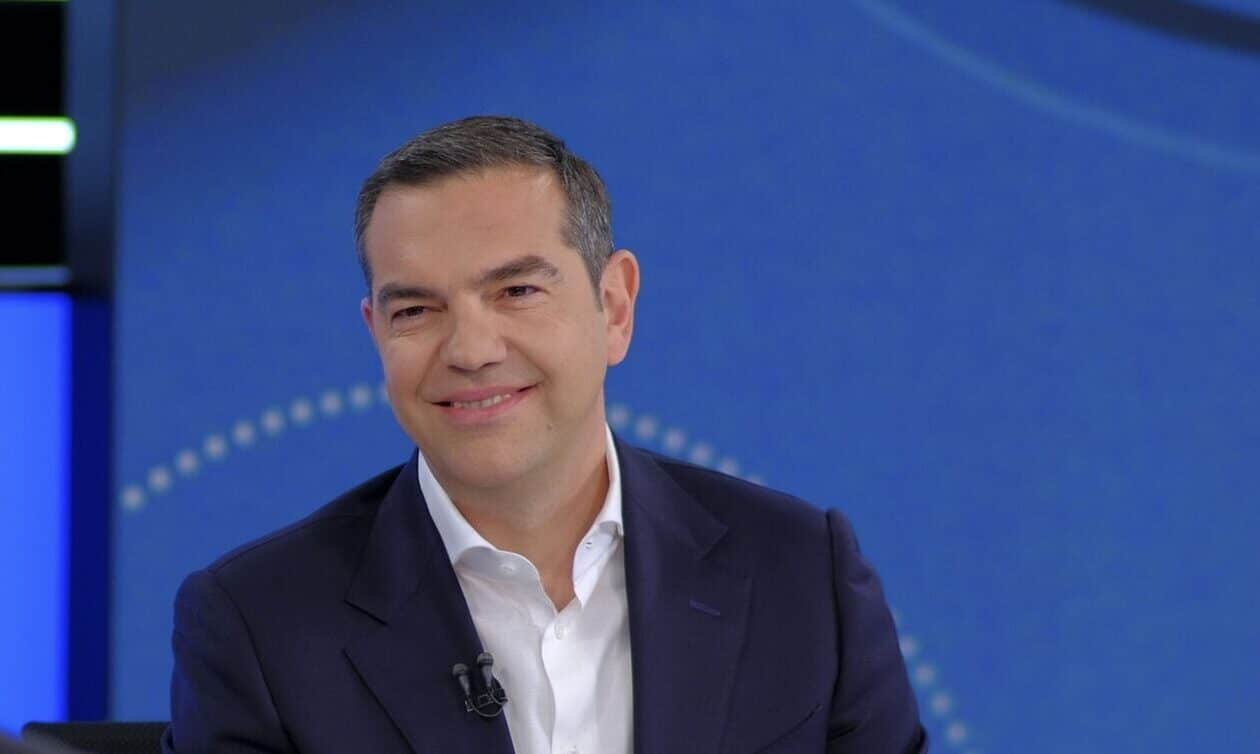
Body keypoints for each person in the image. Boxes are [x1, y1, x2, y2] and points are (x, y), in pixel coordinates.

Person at [163, 116, 927, 754]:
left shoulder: (803, 576)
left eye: (517, 291)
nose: (471, 350)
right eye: (416, 311)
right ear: (375, 333)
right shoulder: (258, 625)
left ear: (614, 306)